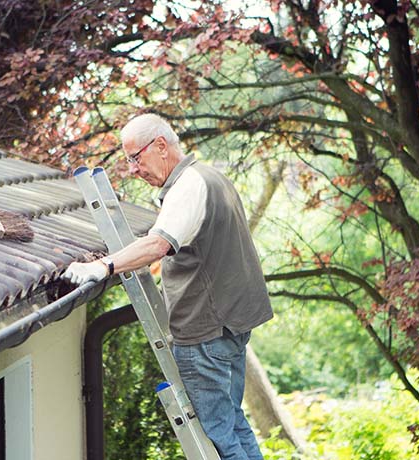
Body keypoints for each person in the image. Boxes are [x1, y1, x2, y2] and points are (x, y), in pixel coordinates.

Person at [62, 113, 273, 459]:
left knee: (218, 436)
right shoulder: (210, 177)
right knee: (233, 423)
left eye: (134, 157)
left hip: (205, 334)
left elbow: (158, 244)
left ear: (160, 145)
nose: (131, 168)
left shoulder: (188, 188)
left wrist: (103, 266)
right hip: (231, 326)